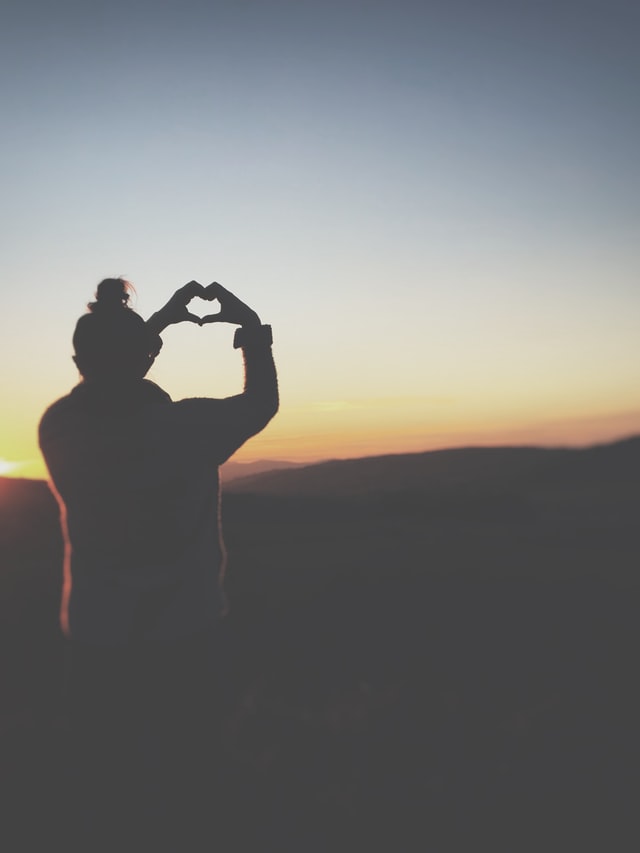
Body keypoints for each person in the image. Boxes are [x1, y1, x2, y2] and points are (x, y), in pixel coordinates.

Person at [39, 277, 278, 846]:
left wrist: (158, 324)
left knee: (107, 782)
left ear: (77, 361)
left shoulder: (59, 426)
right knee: (194, 772)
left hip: (95, 636)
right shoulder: (187, 428)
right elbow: (261, 403)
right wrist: (251, 328)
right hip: (185, 631)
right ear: (146, 356)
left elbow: (111, 375)